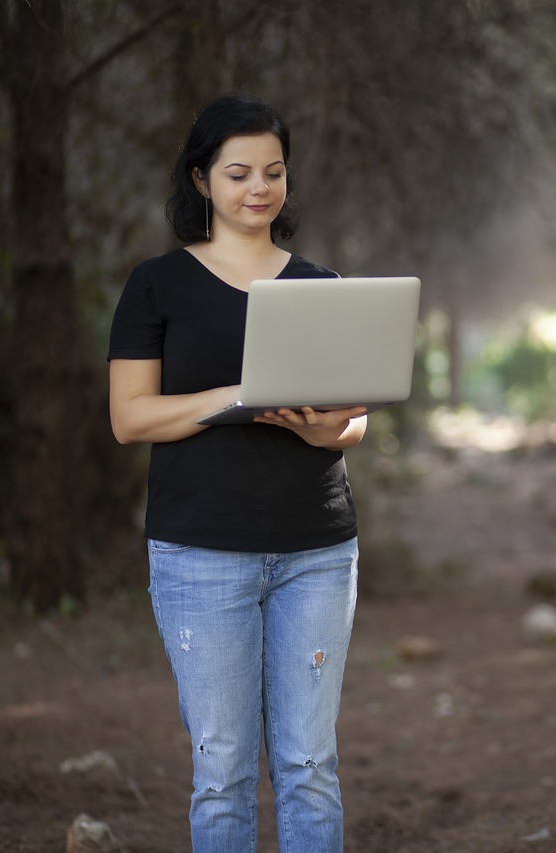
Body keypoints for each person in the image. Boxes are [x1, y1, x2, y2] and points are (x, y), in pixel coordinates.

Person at [107, 93, 366, 852]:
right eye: (239, 172)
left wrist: (328, 428)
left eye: (275, 171)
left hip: (317, 548)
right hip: (199, 554)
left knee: (310, 763)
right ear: (200, 180)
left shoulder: (322, 286)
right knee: (221, 769)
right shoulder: (156, 285)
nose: (260, 187)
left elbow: (355, 417)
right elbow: (129, 417)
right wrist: (232, 396)